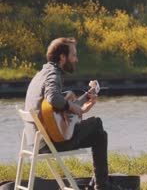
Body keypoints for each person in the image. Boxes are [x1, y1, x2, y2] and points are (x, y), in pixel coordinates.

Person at [24, 37, 119, 190]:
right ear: (63, 57)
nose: (76, 59)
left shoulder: (42, 73)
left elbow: (52, 111)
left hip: (37, 142)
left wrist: (81, 108)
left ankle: (102, 184)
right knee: (97, 124)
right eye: (73, 55)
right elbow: (53, 98)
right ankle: (102, 185)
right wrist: (74, 108)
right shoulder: (53, 75)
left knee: (100, 135)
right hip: (50, 143)